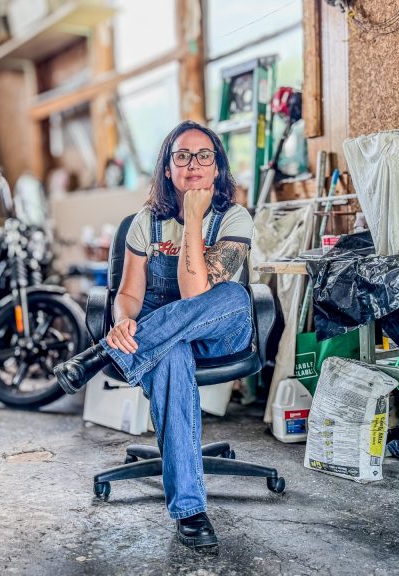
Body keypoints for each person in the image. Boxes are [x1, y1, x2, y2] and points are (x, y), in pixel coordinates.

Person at [54, 120, 256, 550]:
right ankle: (191, 511)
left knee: (235, 296)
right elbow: (128, 293)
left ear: (218, 167)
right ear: (168, 168)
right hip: (162, 340)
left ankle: (102, 354)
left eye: (204, 156)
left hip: (219, 330)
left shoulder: (234, 217)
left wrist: (196, 218)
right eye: (181, 156)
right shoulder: (147, 223)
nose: (193, 164)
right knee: (171, 356)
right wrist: (124, 320)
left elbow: (196, 293)